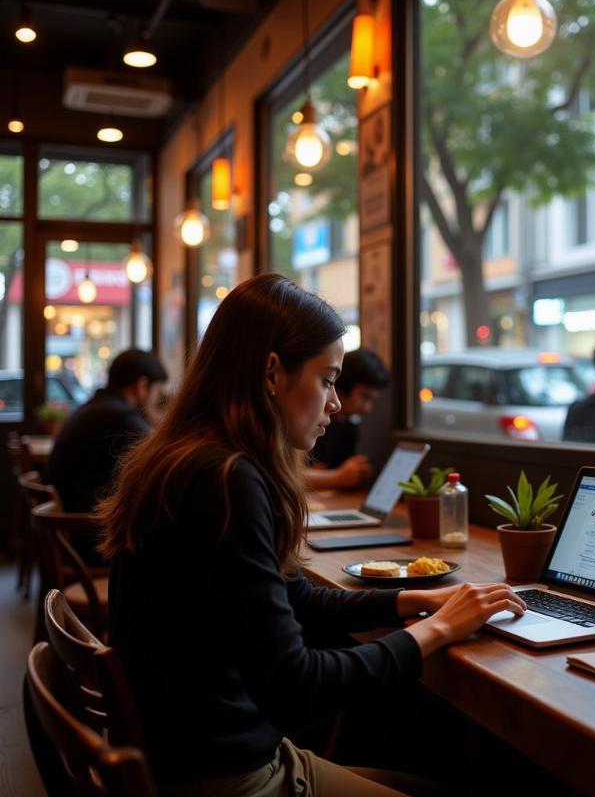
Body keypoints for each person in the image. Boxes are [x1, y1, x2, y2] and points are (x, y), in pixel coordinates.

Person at [96, 274, 525, 796]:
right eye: (327, 379)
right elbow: (297, 688)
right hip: (228, 777)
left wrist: (411, 601)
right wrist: (436, 632)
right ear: (272, 371)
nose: (336, 403)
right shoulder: (226, 480)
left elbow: (288, 596)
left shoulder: (189, 458)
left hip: (192, 751)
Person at [49, 348, 168, 514]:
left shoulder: (98, 406)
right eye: (156, 391)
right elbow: (156, 465)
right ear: (141, 386)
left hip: (71, 516)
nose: (156, 399)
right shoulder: (122, 417)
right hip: (88, 525)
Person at [306, 347, 388, 490]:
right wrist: (337, 477)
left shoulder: (349, 425)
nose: (367, 408)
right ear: (343, 386)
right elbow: (289, 474)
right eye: (364, 397)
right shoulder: (308, 418)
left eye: (372, 401)